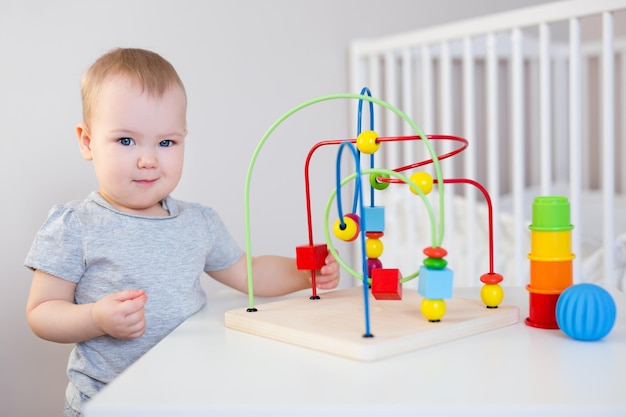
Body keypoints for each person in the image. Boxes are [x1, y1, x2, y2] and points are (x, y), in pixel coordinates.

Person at [24, 48, 341, 417]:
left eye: (166, 142)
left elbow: (247, 272)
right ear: (87, 141)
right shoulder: (75, 225)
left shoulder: (198, 223)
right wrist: (95, 318)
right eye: (126, 141)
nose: (149, 159)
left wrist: (303, 274)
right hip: (106, 402)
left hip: (185, 394)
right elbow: (41, 312)